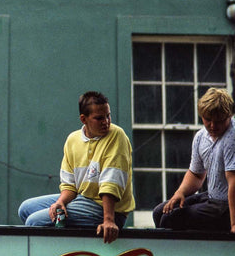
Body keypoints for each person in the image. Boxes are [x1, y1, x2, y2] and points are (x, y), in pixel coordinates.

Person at [18, 91, 135, 243]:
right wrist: (60, 202)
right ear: (83, 119)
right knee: (25, 209)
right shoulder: (73, 140)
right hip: (83, 199)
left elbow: (110, 183)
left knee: (35, 222)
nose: (106, 121)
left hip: (110, 210)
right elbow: (69, 185)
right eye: (99, 118)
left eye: (108, 115)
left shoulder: (116, 135)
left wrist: (109, 220)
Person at [152, 88, 235, 231]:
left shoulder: (231, 138)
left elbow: (233, 181)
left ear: (229, 116)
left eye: (219, 121)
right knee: (160, 212)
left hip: (227, 205)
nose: (213, 126)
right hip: (212, 197)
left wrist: (234, 224)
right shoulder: (201, 137)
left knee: (171, 219)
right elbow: (196, 174)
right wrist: (180, 193)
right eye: (208, 120)